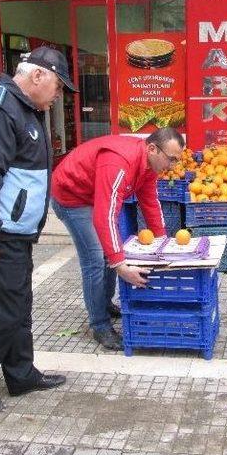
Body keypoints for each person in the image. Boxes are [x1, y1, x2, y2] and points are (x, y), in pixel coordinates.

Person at [0, 47, 77, 413]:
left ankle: (21, 375)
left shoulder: (23, 108)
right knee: (4, 315)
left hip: (16, 234)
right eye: (57, 86)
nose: (58, 96)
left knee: (20, 309)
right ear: (37, 76)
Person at [51, 128, 185, 350]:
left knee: (109, 251)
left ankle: (104, 304)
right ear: (152, 148)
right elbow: (105, 215)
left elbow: (150, 201)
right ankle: (100, 325)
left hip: (92, 193)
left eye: (176, 161)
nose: (172, 166)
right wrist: (120, 265)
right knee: (95, 258)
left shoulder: (149, 165)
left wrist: (162, 240)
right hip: (71, 197)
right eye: (171, 159)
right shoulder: (119, 163)